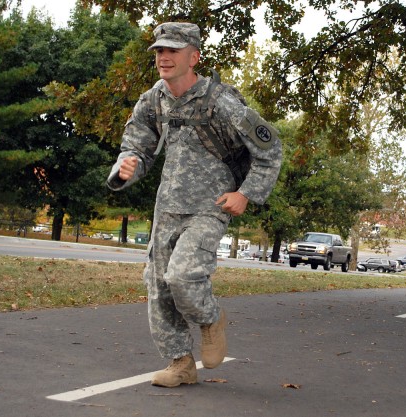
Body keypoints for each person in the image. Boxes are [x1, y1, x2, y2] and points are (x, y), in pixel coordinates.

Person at [106, 22, 282, 388]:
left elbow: (270, 149)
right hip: (167, 205)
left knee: (182, 276)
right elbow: (137, 145)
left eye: (172, 50)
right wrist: (128, 166)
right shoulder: (154, 100)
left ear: (194, 57)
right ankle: (181, 364)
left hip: (210, 205)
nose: (164, 57)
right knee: (158, 287)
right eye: (159, 51)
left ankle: (210, 319)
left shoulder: (221, 102)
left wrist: (246, 193)